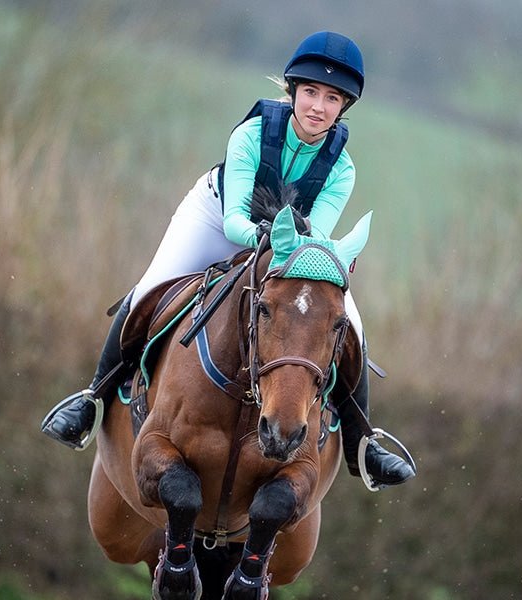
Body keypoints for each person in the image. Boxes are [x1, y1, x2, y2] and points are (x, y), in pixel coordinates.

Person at [42, 31, 415, 487]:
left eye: (332, 98)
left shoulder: (343, 168)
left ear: (344, 107)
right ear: (293, 90)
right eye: (311, 92)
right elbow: (236, 220)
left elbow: (312, 236)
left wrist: (292, 247)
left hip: (288, 244)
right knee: (151, 287)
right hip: (217, 218)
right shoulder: (252, 134)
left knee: (349, 321)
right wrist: (269, 237)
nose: (318, 106)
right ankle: (91, 400)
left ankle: (363, 444)